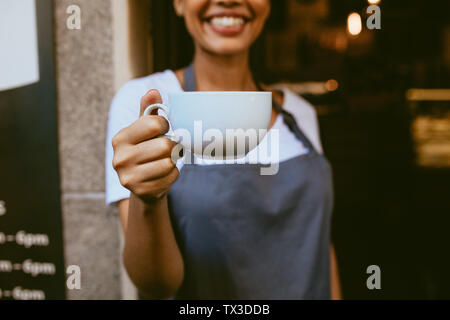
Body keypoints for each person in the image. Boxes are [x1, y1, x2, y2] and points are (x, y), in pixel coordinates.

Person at [106, 0, 341, 299]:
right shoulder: (148, 106)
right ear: (178, 3)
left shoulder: (300, 112)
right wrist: (148, 199)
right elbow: (156, 285)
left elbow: (320, 247)